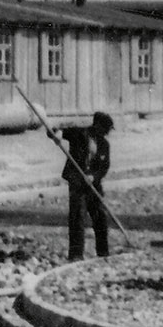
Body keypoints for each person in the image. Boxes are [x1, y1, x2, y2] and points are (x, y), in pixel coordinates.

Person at [62, 111, 114, 261]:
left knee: (100, 218)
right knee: (77, 218)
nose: (106, 133)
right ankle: (76, 255)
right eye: (105, 129)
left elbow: (104, 166)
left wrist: (94, 176)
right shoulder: (79, 134)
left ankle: (103, 253)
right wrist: (55, 134)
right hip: (77, 183)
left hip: (94, 185)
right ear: (97, 126)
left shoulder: (104, 144)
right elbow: (56, 132)